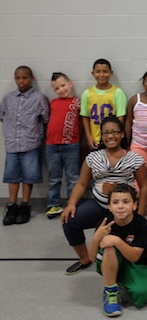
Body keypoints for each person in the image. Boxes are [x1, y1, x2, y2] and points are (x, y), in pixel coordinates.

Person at [61, 115, 147, 275]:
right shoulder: (93, 158)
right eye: (106, 133)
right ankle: (85, 258)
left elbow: (144, 186)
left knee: (118, 236)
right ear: (101, 136)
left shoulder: (134, 159)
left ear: (122, 134)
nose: (110, 136)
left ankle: (125, 263)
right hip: (99, 205)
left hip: (124, 208)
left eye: (115, 132)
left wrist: (141, 213)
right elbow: (81, 184)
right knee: (69, 221)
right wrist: (72, 203)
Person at [87, 184, 147, 317]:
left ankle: (122, 279)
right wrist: (96, 238)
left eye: (126, 202)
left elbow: (134, 257)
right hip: (109, 260)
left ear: (134, 205)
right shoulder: (104, 223)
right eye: (115, 202)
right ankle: (110, 291)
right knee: (109, 247)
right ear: (110, 207)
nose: (120, 206)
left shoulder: (142, 224)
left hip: (134, 262)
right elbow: (92, 258)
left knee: (142, 296)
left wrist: (116, 240)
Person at [1, 66, 50, 225]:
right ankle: (12, 205)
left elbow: (45, 119)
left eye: (25, 78)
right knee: (12, 176)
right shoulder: (8, 98)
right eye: (18, 78)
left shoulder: (39, 98)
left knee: (28, 176)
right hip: (12, 144)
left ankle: (24, 205)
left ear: (32, 78)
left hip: (30, 143)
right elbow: (3, 117)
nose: (21, 81)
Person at [44, 73, 81, 220]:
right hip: (52, 145)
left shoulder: (77, 102)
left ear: (70, 83)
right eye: (57, 88)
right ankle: (53, 205)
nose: (61, 89)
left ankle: (72, 204)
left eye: (63, 85)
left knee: (73, 177)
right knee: (54, 178)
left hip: (71, 145)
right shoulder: (53, 103)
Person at [80, 58, 128, 150]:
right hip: (95, 140)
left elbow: (121, 118)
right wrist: (89, 137)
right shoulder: (87, 93)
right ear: (93, 73)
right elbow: (85, 117)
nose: (101, 75)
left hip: (112, 140)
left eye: (105, 71)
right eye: (98, 71)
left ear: (111, 73)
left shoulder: (118, 92)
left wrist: (116, 138)